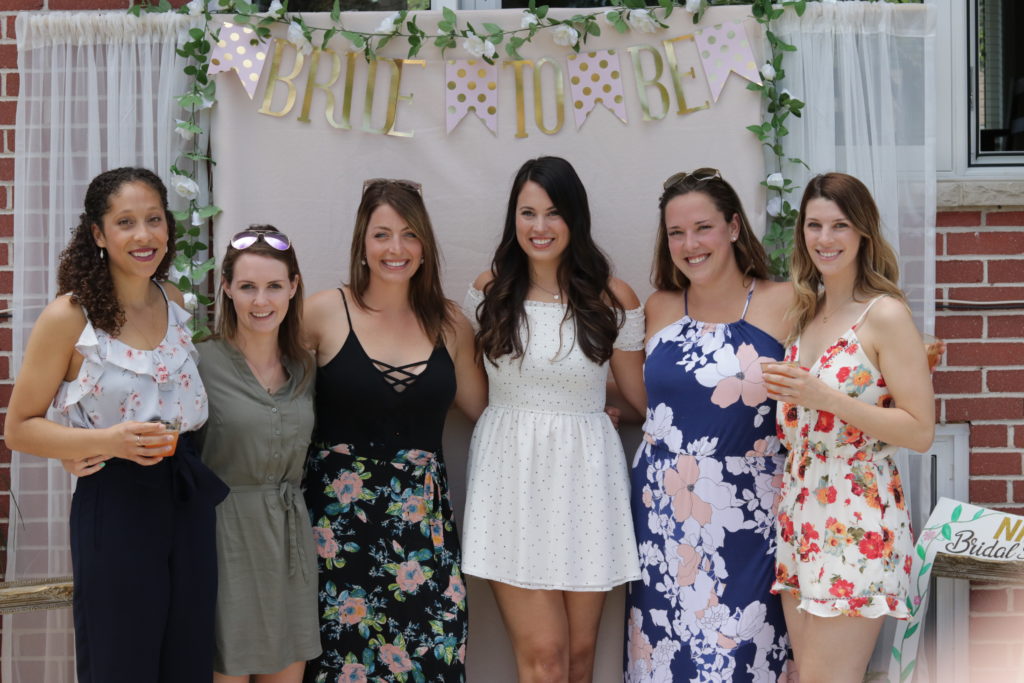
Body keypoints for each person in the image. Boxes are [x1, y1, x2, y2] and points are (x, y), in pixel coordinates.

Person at [5, 167, 228, 682]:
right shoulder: (70, 317)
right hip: (116, 500)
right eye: (125, 222)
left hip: (187, 496)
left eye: (154, 219)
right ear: (98, 235)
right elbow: (19, 427)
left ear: (169, 228)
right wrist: (104, 441)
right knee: (120, 660)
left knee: (187, 656)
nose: (143, 235)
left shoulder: (173, 301)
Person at [462, 156, 647, 683]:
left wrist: (596, 407)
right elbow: (475, 391)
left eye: (553, 213)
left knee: (580, 660)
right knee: (544, 658)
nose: (539, 228)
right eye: (527, 213)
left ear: (575, 218)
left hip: (587, 477)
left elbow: (640, 399)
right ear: (512, 219)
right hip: (510, 477)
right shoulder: (491, 291)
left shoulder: (612, 297)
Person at [301, 178, 486, 683]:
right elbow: (269, 400)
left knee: (431, 661)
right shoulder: (321, 313)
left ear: (425, 245)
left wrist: (585, 408)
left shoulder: (450, 324)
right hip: (334, 537)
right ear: (363, 242)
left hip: (423, 535)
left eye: (409, 234)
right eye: (382, 234)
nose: (396, 249)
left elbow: (488, 414)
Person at [764, 172, 934, 682]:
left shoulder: (885, 315)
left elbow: (919, 430)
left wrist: (824, 397)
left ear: (862, 232)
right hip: (801, 516)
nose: (825, 239)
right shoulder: (805, 313)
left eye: (839, 225)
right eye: (814, 225)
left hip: (857, 516)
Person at [626, 169, 794, 681]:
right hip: (661, 513)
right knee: (665, 658)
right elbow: (647, 400)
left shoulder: (785, 302)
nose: (690, 244)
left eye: (703, 228)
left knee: (742, 657)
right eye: (676, 233)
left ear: (735, 228)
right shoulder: (657, 307)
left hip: (748, 515)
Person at [198, 226, 321, 682]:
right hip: (221, 545)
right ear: (226, 288)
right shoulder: (199, 362)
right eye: (247, 286)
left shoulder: (306, 367)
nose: (260, 301)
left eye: (273, 286)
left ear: (293, 287)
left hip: (289, 545)